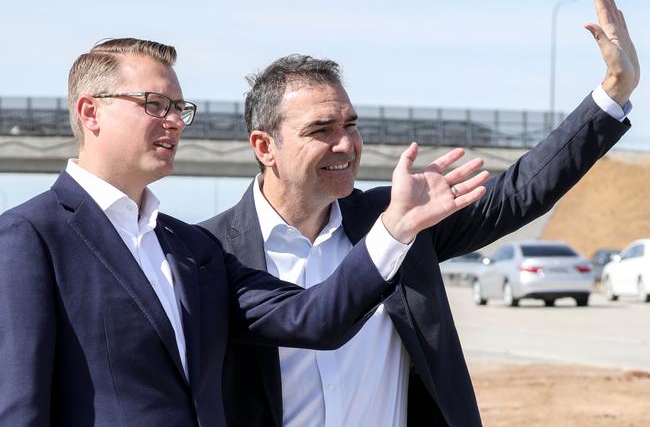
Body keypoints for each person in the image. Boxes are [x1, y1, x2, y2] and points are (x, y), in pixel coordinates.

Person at [199, 0, 639, 426]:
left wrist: (614, 92)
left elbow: (518, 194)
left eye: (350, 124)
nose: (346, 144)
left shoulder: (397, 220)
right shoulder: (207, 253)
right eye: (321, 130)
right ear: (264, 146)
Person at [0, 38, 490, 426]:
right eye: (154, 104)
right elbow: (19, 407)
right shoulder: (30, 236)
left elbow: (314, 318)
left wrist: (396, 228)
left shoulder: (189, 247)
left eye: (179, 107)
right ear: (91, 113)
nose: (174, 121)